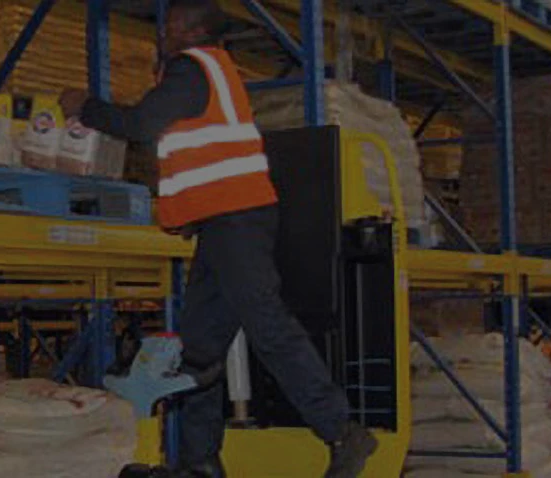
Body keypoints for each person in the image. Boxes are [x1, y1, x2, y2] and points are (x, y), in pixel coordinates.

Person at [59, 0, 377, 476]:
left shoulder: (191, 69)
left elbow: (141, 124)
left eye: (171, 26)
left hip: (236, 221)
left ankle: (342, 431)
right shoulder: (211, 71)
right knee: (198, 348)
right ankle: (200, 460)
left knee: (267, 325)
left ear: (193, 32)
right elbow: (199, 152)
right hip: (223, 222)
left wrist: (84, 107)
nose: (163, 33)